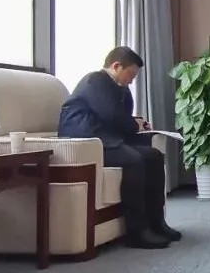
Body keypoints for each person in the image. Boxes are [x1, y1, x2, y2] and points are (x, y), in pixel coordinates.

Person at [58, 46, 179, 249]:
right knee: (133, 159)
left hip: (107, 139)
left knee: (154, 156)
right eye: (130, 74)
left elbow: (120, 116)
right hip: (87, 141)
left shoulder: (118, 88)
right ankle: (137, 232)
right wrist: (134, 125)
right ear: (116, 66)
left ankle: (157, 223)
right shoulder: (95, 80)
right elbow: (112, 115)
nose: (131, 80)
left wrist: (137, 123)